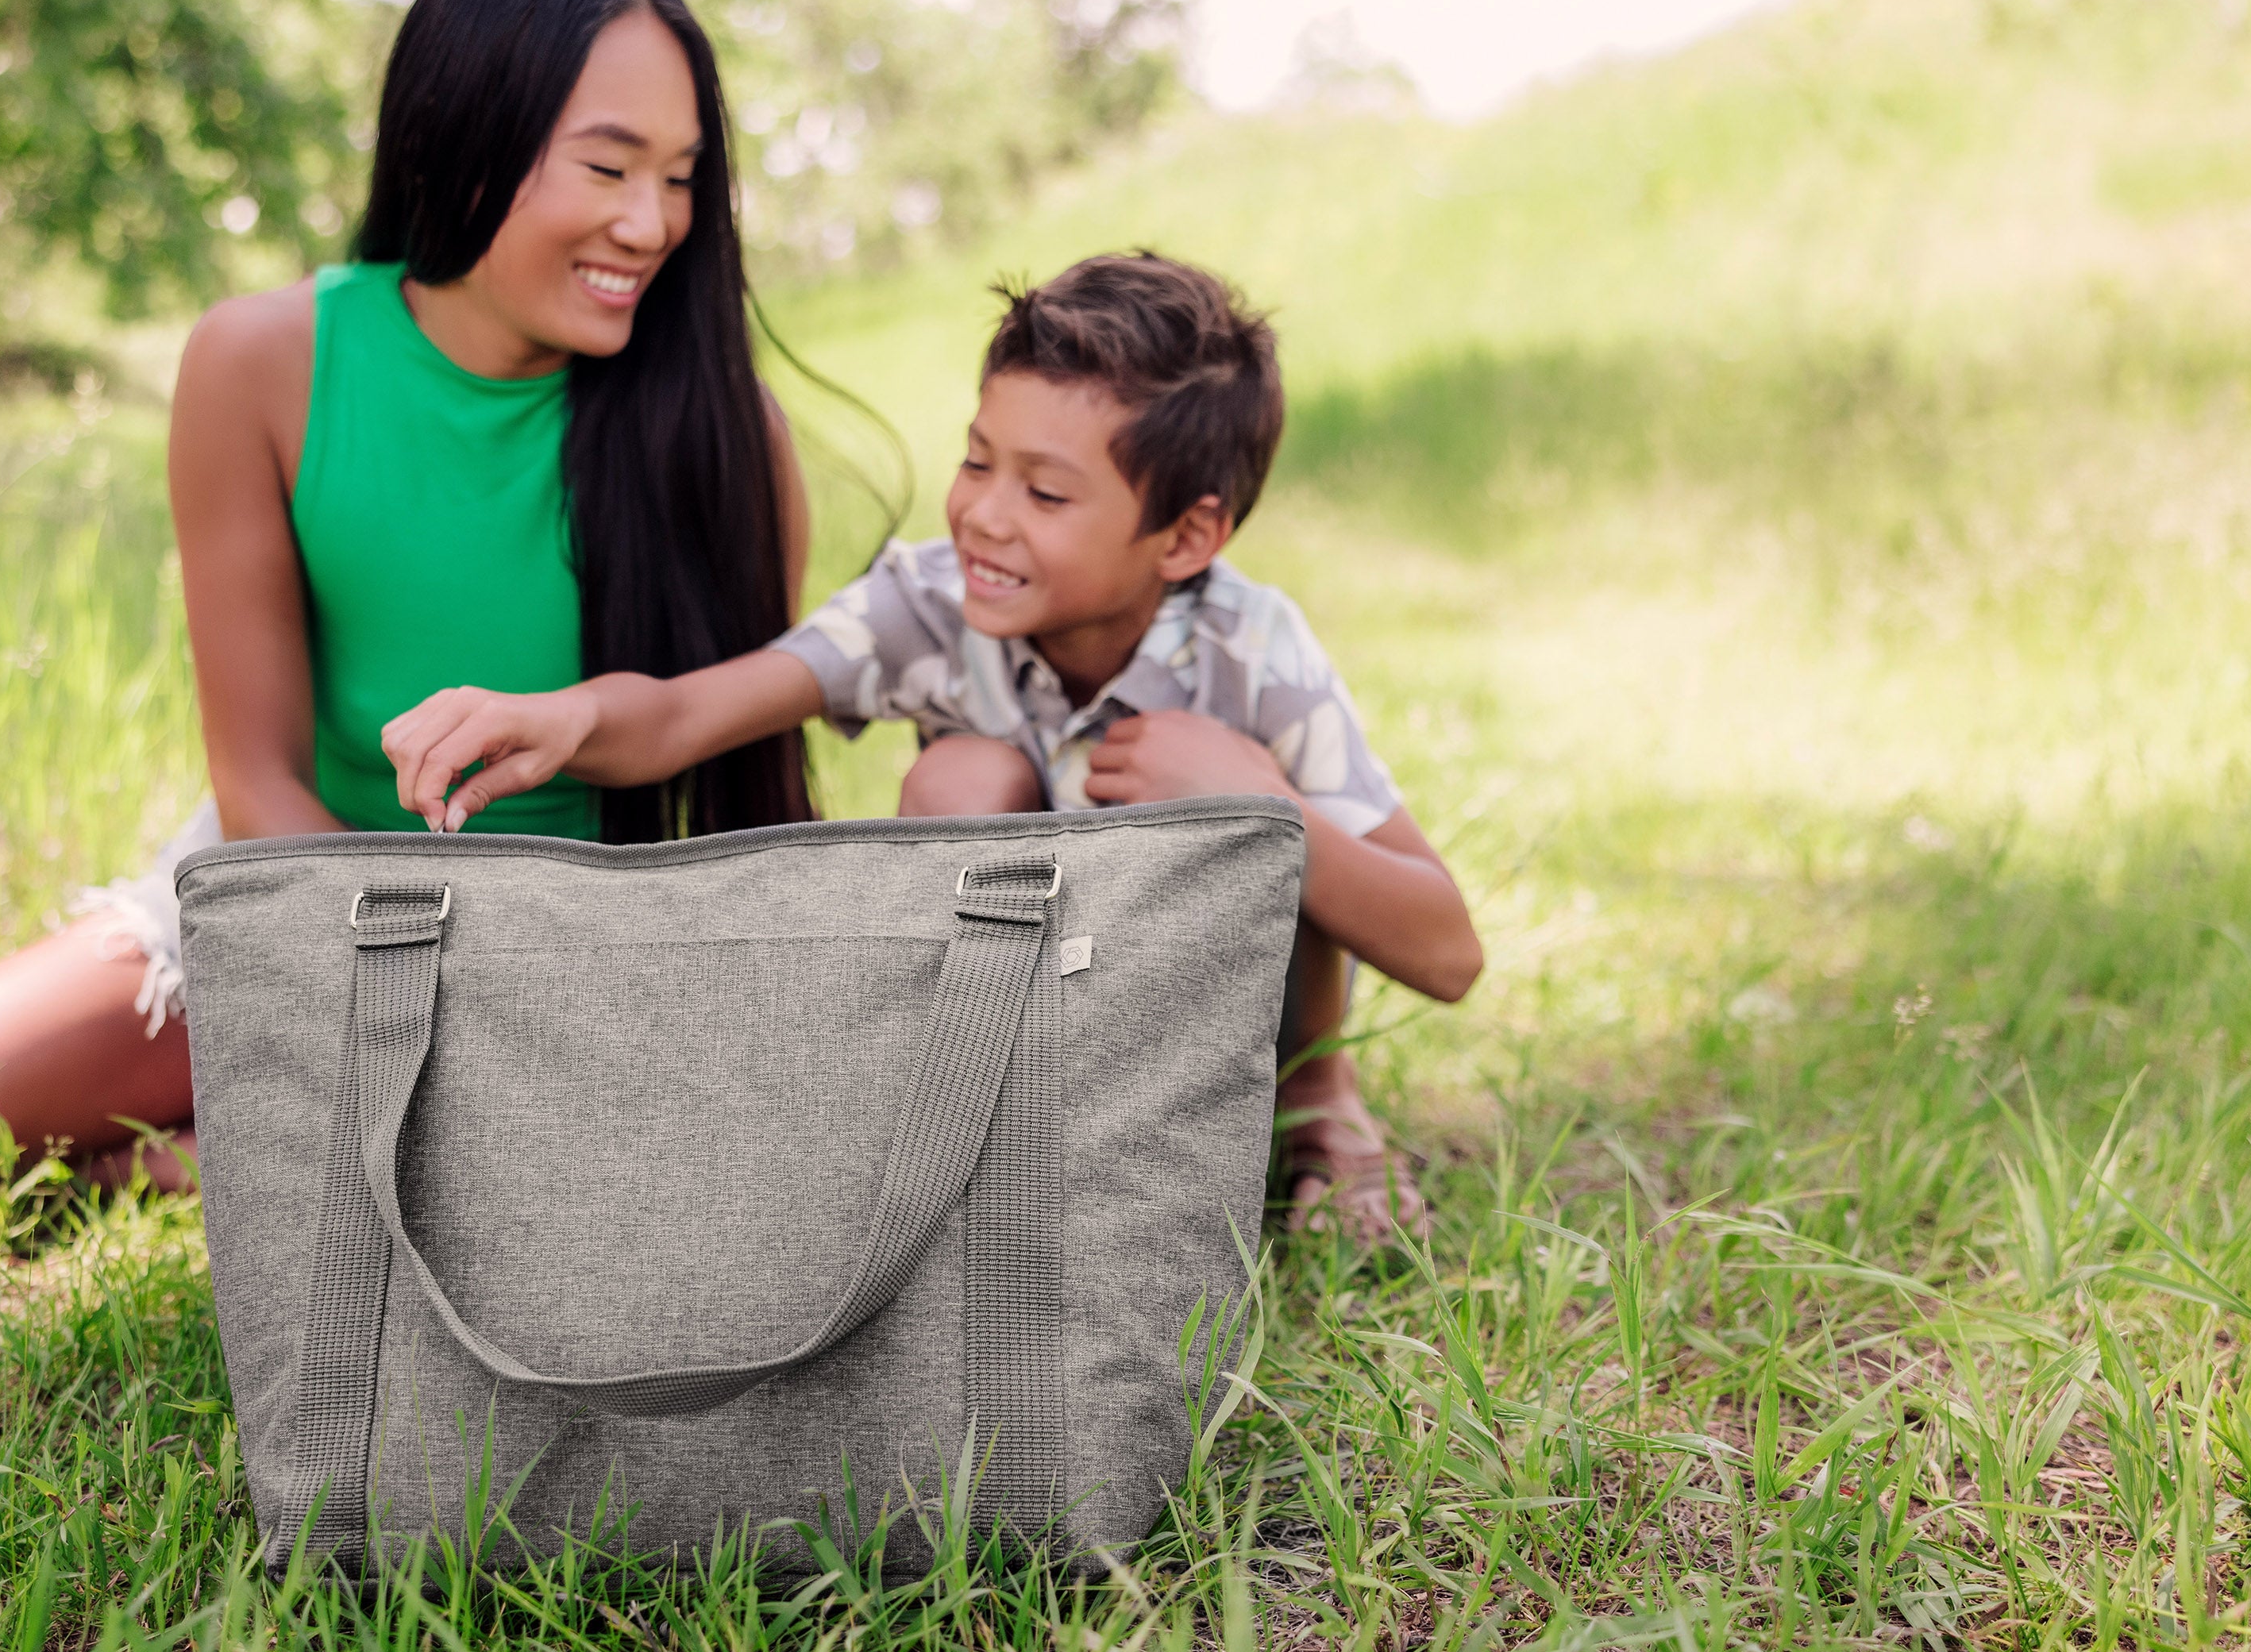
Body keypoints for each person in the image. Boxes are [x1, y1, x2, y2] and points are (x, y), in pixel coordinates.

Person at [0, 0, 815, 1257]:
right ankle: (106, 1107)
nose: (652, 222)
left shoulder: (728, 432)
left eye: (679, 177)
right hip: (288, 916)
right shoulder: (263, 364)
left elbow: (743, 816)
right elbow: (261, 787)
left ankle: (162, 1151)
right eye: (609, 166)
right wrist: (419, 1007)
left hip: (576, 993)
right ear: (472, 130)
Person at [380, 252, 1483, 1244]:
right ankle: (970, 1131)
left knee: (1254, 800)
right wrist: (565, 716)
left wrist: (1262, 808)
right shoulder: (928, 603)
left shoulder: (1255, 652)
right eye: (976, 461)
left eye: (1046, 491)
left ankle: (1314, 1111)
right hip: (1024, 1035)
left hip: (1193, 1050)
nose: (985, 517)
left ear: (1187, 535)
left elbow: (1447, 952)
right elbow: (688, 712)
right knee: (966, 774)